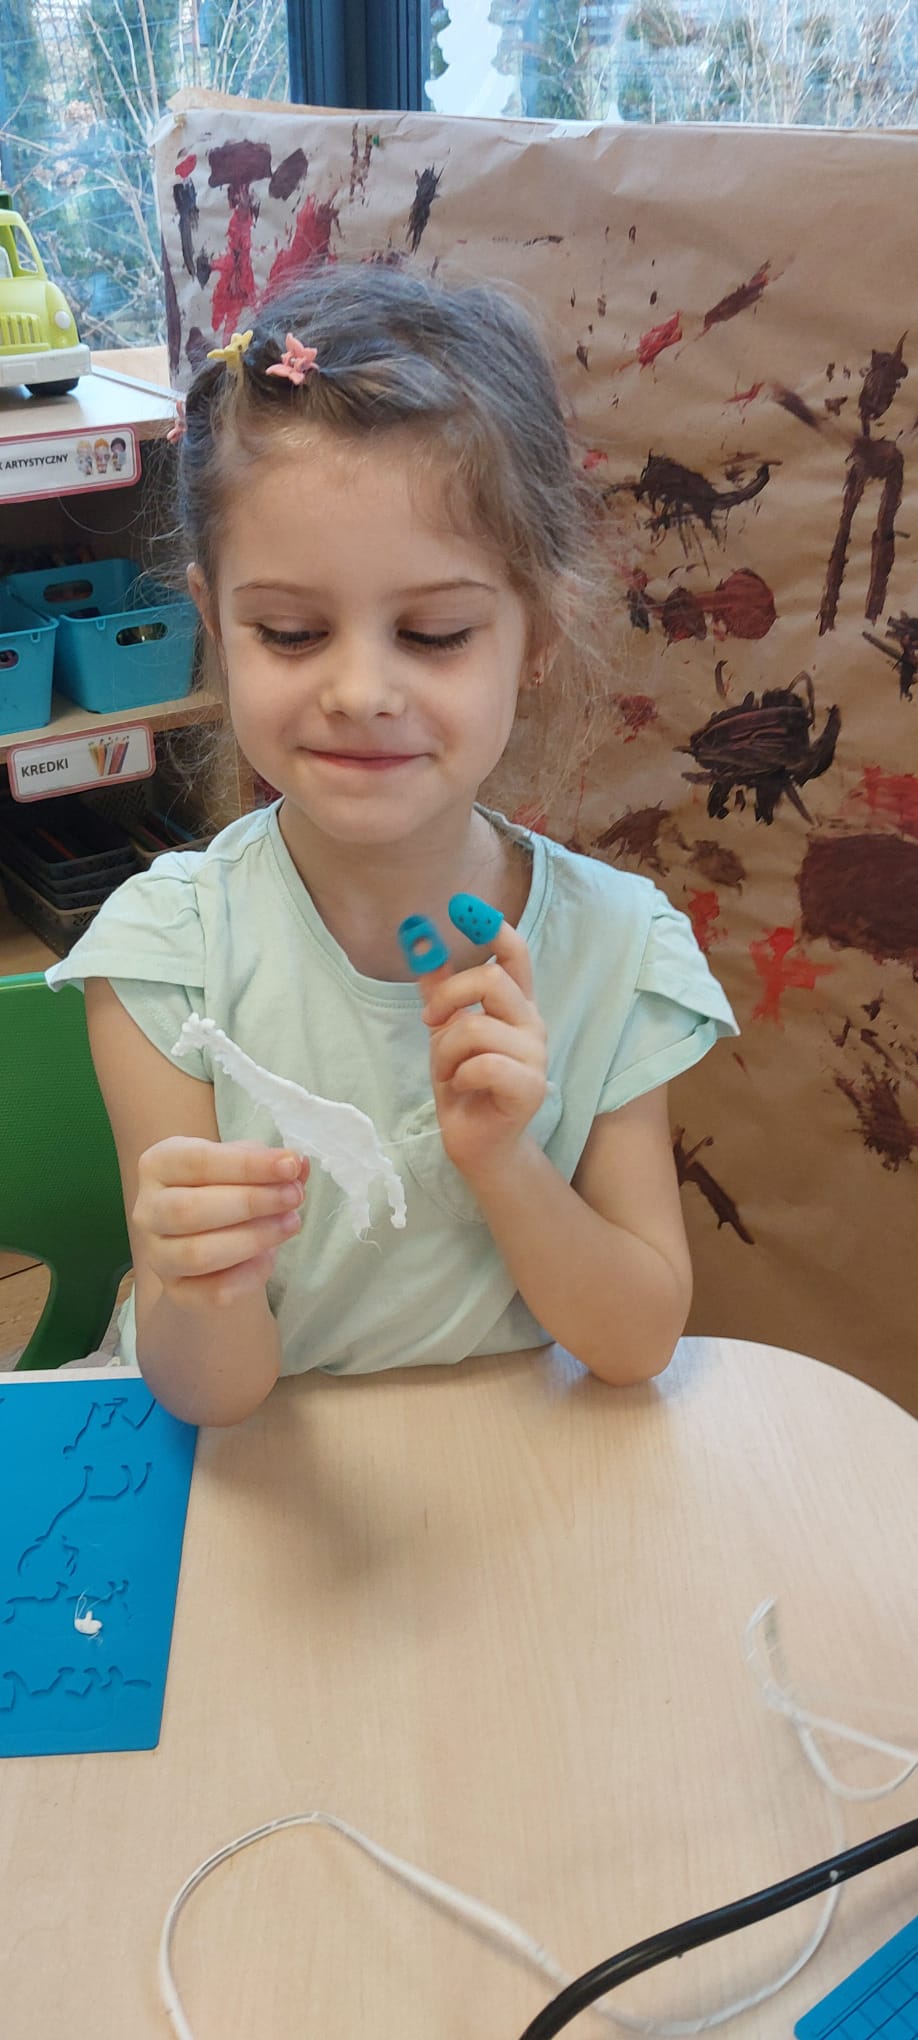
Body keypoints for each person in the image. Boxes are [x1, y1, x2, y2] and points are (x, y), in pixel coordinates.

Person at [47, 264, 737, 1427]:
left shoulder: (617, 954)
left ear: (536, 635)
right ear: (214, 624)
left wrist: (505, 1161)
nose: (361, 690)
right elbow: (210, 1396)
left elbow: (636, 1343)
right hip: (260, 1469)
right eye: (291, 631)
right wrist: (204, 1283)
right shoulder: (169, 954)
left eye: (434, 632)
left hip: (506, 1475)